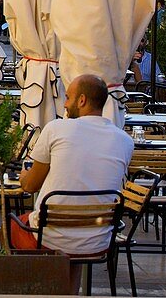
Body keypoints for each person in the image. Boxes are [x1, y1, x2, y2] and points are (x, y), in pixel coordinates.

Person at [15, 74, 134, 267]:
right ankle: (70, 294)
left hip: (49, 237)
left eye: (68, 97)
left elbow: (30, 186)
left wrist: (23, 175)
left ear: (82, 100)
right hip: (99, 239)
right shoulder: (125, 141)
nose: (64, 104)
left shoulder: (56, 129)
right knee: (75, 249)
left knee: (12, 225)